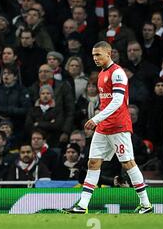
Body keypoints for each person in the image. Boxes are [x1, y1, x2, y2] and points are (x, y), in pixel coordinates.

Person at [62, 41, 153, 214]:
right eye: (93, 55)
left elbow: (118, 102)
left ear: (108, 54)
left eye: (98, 55)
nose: (95, 58)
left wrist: (96, 118)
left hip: (118, 125)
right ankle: (82, 205)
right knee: (93, 162)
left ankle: (146, 204)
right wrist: (100, 119)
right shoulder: (102, 74)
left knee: (128, 163)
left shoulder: (117, 73)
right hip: (104, 126)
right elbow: (106, 101)